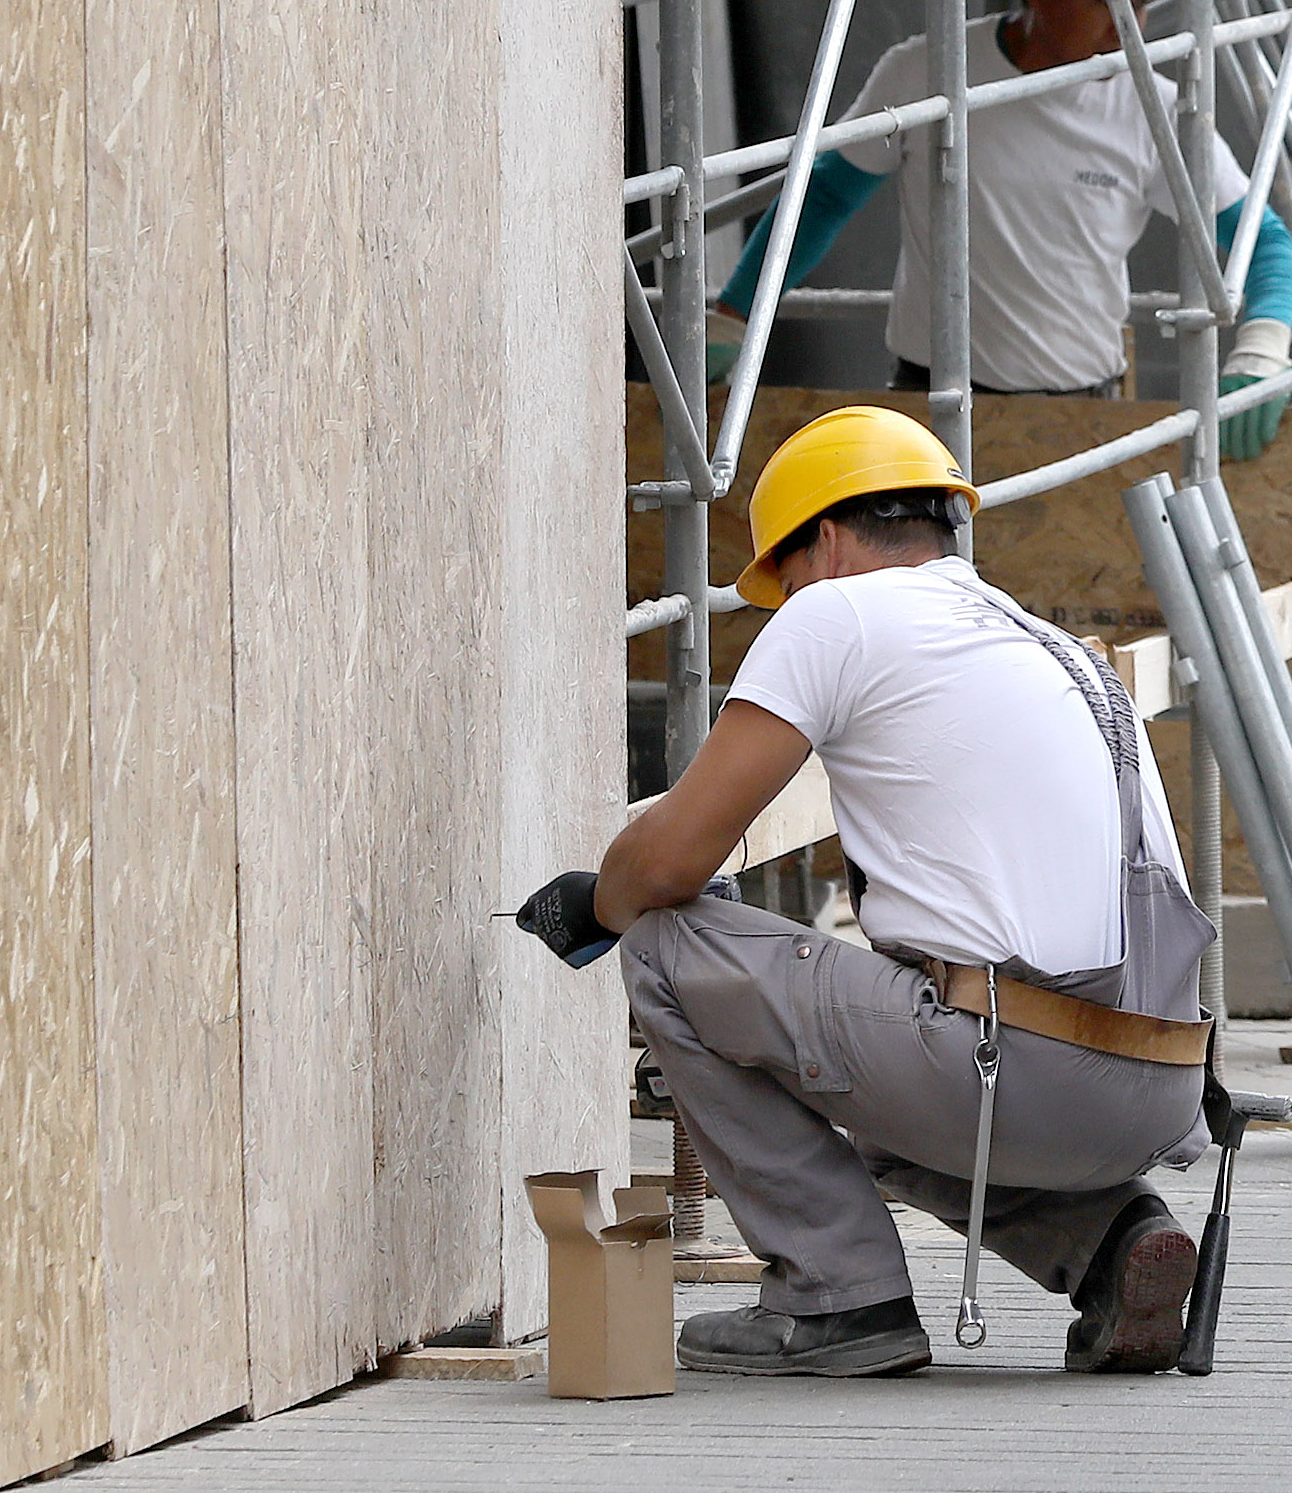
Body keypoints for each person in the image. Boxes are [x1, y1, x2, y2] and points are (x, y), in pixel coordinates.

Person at [513, 406, 1218, 1377]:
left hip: (1011, 1070)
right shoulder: (1049, 643)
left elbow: (673, 861)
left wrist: (598, 901)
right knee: (869, 1068)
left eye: (785, 575)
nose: (783, 602)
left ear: (830, 540)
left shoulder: (837, 611)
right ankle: (1114, 1243)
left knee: (669, 945)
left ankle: (835, 1299)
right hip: (1161, 1087)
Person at [713, 0, 1292, 459]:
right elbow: (825, 199)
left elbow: (1268, 244)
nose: (1131, 31)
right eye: (1106, 3)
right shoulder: (926, 72)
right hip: (930, 405)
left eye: (1143, 4)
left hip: (1084, 412)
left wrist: (1261, 349)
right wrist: (733, 316)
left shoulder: (1156, 110)